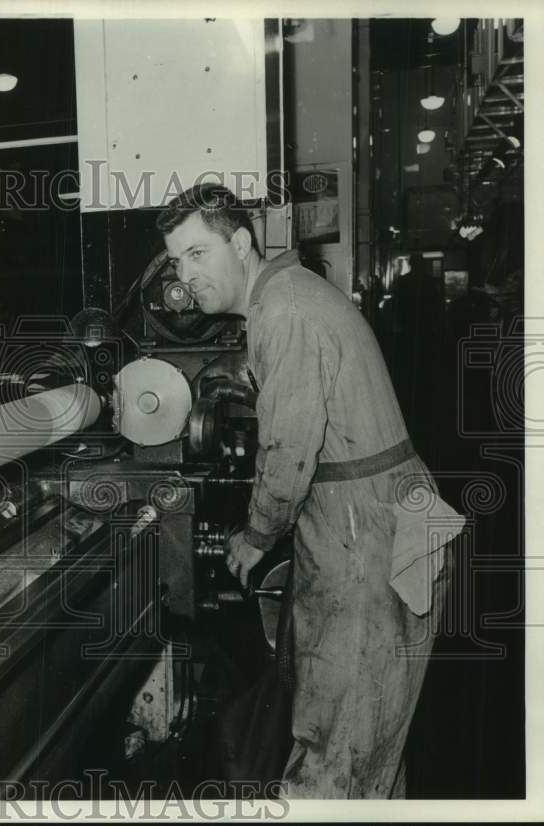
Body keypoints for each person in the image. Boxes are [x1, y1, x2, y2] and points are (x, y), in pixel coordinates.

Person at [156, 184, 463, 798]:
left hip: (366, 535)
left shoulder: (284, 311)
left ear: (240, 244)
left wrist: (256, 533)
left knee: (336, 748)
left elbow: (290, 450)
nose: (185, 277)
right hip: (381, 517)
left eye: (197, 253)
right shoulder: (289, 298)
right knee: (372, 746)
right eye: (176, 261)